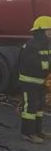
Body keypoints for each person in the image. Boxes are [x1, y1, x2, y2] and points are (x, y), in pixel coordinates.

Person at [18, 16, 51, 144]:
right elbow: (31, 63)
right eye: (49, 31)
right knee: (30, 109)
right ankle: (27, 133)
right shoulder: (30, 45)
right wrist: (48, 66)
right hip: (29, 82)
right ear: (40, 31)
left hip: (40, 82)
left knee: (39, 107)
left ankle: (38, 131)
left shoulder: (46, 45)